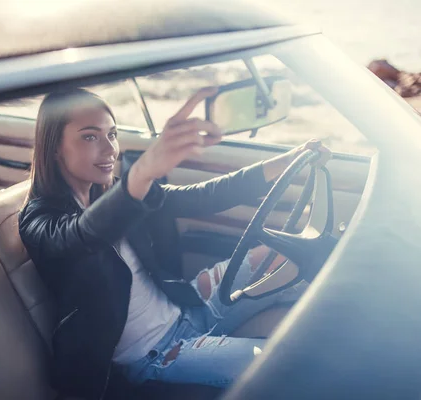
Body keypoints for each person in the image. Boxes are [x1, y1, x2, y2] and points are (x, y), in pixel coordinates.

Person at [18, 87, 331, 399]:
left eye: (112, 134)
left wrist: (292, 159)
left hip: (189, 307)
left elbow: (202, 197)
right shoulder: (39, 221)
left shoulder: (112, 190)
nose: (109, 149)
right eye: (90, 137)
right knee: (289, 366)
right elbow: (83, 234)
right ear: (55, 147)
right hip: (159, 355)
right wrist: (140, 174)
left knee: (286, 257)